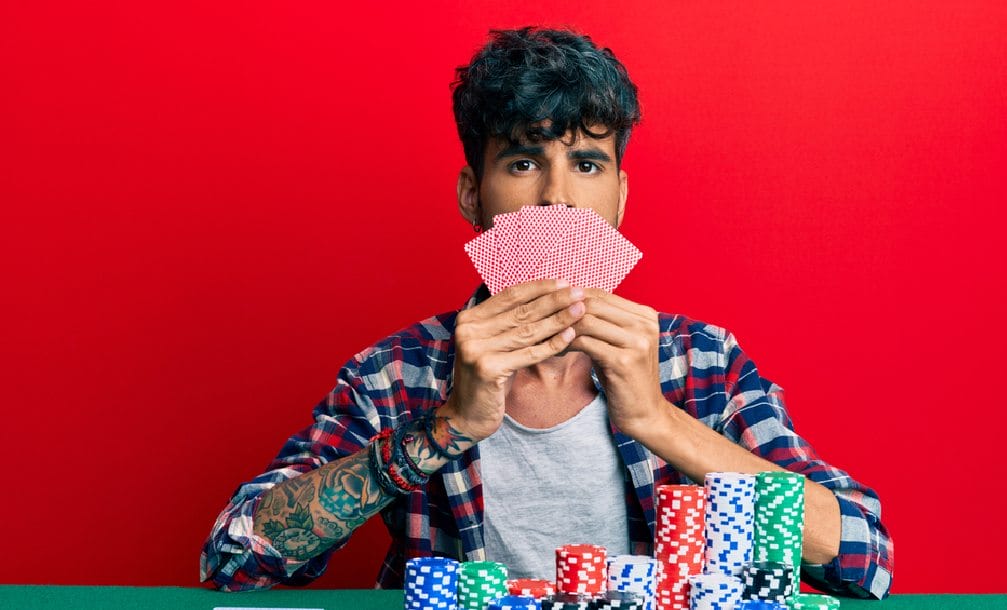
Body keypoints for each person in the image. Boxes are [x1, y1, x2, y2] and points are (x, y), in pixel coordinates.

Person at [200, 26, 893, 599]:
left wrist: (656, 419)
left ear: (620, 198)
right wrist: (444, 428)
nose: (557, 200)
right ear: (473, 194)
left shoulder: (699, 362)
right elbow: (232, 558)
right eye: (525, 162)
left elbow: (865, 556)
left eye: (587, 165)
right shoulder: (395, 374)